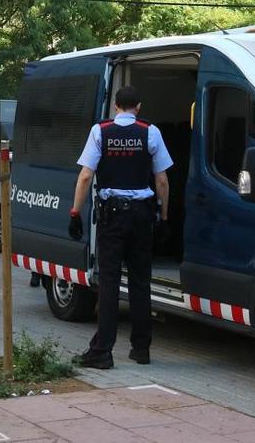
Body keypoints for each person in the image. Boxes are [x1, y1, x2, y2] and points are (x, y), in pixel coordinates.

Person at [69, 86, 172, 368]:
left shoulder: (99, 131)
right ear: (138, 106)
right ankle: (141, 349)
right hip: (142, 216)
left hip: (111, 217)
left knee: (110, 283)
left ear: (115, 106)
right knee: (140, 282)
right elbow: (161, 180)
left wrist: (75, 212)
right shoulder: (150, 132)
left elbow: (86, 175)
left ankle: (102, 352)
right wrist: (164, 217)